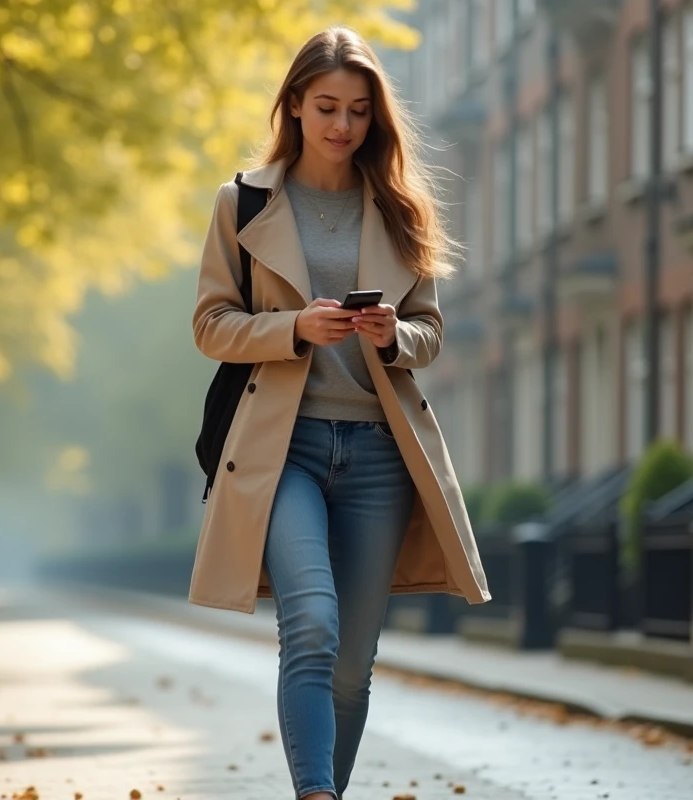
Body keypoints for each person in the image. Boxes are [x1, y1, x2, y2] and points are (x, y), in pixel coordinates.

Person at [189, 27, 491, 800]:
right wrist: (292, 328)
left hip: (380, 455)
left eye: (358, 111)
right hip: (282, 449)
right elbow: (211, 325)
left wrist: (395, 335)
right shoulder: (244, 202)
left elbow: (430, 330)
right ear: (293, 105)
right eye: (326, 106)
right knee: (313, 626)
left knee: (353, 663)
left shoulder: (398, 208)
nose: (342, 126)